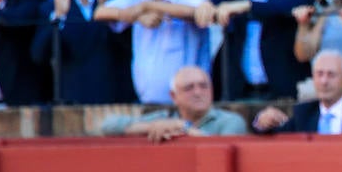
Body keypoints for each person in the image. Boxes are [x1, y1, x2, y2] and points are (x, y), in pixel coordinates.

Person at [95, 0, 211, 104]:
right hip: (148, 102)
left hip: (190, 102)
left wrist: (151, 6)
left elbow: (195, 12)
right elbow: (100, 12)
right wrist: (135, 15)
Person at [32, 0, 132, 105]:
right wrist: (59, 16)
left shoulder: (116, 1)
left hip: (113, 99)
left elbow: (126, 49)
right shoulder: (50, 8)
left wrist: (106, 9)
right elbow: (39, 54)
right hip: (71, 101)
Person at [252, 49, 342, 133]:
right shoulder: (304, 114)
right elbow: (270, 136)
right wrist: (262, 121)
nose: (324, 81)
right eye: (319, 74)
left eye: (331, 75)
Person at [99, 65, 247, 140]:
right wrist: (152, 127)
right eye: (189, 88)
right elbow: (108, 126)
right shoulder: (165, 118)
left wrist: (182, 127)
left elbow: (218, 150)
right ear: (173, 96)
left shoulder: (230, 121)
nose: (198, 93)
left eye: (203, 86)